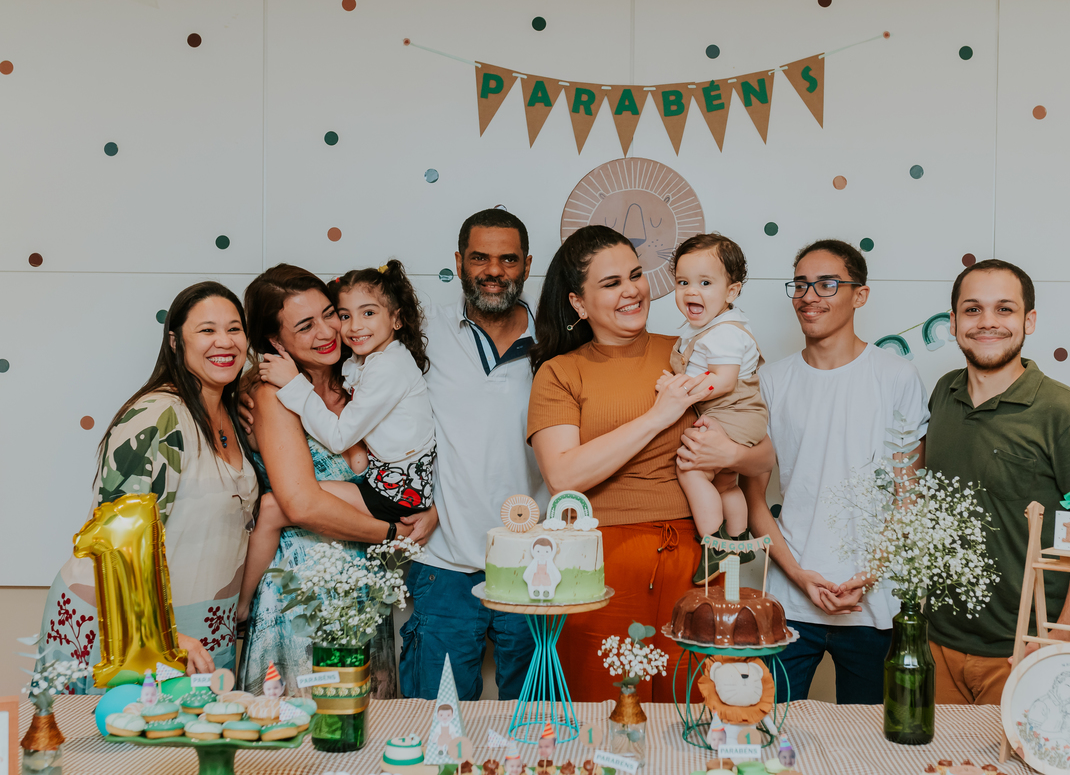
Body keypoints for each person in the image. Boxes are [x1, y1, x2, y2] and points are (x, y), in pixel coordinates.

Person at [527, 225, 774, 702]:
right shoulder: (560, 372)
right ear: (579, 303)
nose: (631, 290)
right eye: (611, 282)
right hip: (601, 565)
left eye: (636, 275)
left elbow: (764, 454)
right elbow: (563, 475)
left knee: (698, 706)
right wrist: (659, 416)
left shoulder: (691, 350)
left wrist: (732, 455)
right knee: (604, 707)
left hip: (700, 556)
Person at [690, 239, 929, 704]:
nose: (808, 295)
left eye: (826, 283)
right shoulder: (770, 380)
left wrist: (868, 575)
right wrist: (800, 576)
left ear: (859, 294)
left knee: (866, 749)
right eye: (800, 284)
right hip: (789, 600)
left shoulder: (896, 377)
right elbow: (755, 499)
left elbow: (908, 498)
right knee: (770, 733)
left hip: (874, 604)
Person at [39, 282, 260, 690]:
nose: (224, 342)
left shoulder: (233, 415)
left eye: (234, 329)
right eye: (207, 330)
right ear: (175, 341)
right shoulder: (157, 416)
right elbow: (115, 538)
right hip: (127, 628)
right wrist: (162, 635)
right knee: (116, 749)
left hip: (204, 632)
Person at [925, 259, 1070, 705]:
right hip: (937, 646)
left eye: (1004, 310)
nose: (987, 322)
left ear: (1028, 320)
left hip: (1022, 654)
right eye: (972, 310)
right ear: (953, 322)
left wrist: (1060, 640)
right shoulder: (943, 393)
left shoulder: (1066, 413)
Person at [236, 265, 429, 697]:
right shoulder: (271, 396)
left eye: (331, 314)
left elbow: (409, 456)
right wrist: (396, 533)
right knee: (297, 742)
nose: (328, 331)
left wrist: (427, 510)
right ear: (275, 341)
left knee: (366, 741)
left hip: (363, 593)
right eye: (305, 326)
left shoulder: (363, 377)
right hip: (299, 597)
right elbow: (300, 504)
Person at [399, 208, 544, 701]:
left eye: (508, 259)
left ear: (527, 265)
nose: (494, 270)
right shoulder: (421, 335)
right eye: (480, 257)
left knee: (535, 724)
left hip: (535, 565)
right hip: (444, 564)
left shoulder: (560, 343)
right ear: (459, 261)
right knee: (432, 720)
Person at [663, 233, 768, 584]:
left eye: (705, 283)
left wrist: (680, 391)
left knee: (691, 469)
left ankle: (715, 544)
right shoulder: (706, 328)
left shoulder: (723, 333)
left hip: (733, 410)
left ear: (731, 292)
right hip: (740, 413)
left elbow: (723, 381)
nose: (692, 291)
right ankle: (739, 539)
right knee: (725, 482)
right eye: (683, 282)